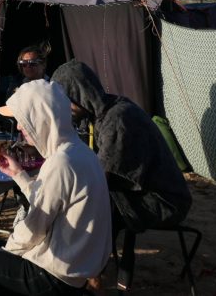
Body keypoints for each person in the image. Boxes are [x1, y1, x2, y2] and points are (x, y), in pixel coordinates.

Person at [51, 60, 192, 288]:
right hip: (142, 191)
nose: (64, 108)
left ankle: (90, 275)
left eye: (66, 101)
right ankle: (89, 268)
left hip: (164, 200)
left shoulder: (118, 119)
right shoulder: (103, 113)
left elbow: (98, 179)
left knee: (93, 205)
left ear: (78, 95)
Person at [0, 79, 112, 296]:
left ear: (40, 119)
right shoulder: (81, 153)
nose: (19, 127)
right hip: (73, 273)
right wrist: (19, 175)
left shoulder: (61, 162)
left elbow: (35, 227)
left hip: (51, 277)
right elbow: (49, 202)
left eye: (22, 120)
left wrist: (6, 253)